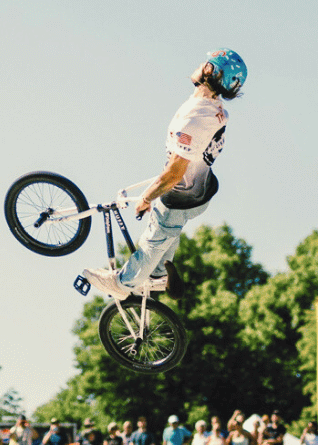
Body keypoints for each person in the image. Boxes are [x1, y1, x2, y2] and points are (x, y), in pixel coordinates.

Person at [82, 49, 247, 299]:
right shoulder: (214, 108)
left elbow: (174, 175)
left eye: (207, 62)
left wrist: (147, 197)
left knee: (155, 236)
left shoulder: (194, 119)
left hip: (181, 195)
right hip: (202, 191)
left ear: (211, 70)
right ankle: (159, 273)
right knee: (167, 228)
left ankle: (124, 284)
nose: (201, 63)